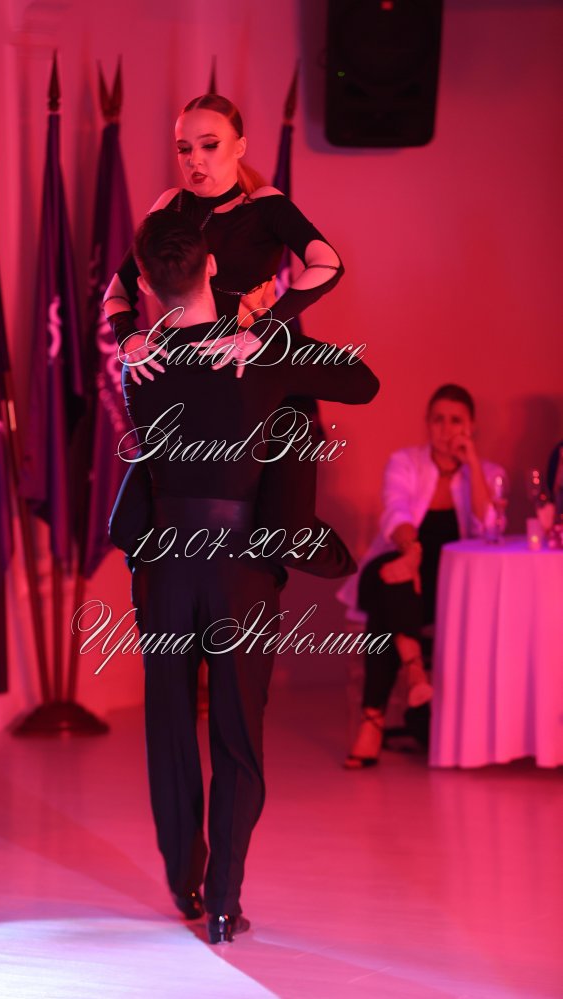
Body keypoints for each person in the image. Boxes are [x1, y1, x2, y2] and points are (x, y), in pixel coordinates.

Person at [122, 210, 379, 943]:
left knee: (170, 725)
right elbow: (363, 381)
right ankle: (223, 901)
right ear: (212, 267)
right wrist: (272, 334)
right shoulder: (258, 353)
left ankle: (185, 881)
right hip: (238, 567)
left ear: (146, 285)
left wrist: (132, 336)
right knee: (238, 732)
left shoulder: (138, 361)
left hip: (166, 563)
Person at [104, 93, 346, 559]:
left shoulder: (265, 205)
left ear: (240, 146)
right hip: (187, 367)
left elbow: (328, 263)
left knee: (281, 513)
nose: (194, 159)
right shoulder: (171, 205)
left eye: (209, 145)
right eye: (184, 148)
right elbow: (116, 291)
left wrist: (263, 330)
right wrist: (128, 336)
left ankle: (301, 550)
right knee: (145, 511)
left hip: (249, 363)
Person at [337, 385, 504, 768]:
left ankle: (373, 720)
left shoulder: (489, 473)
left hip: (448, 590)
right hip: (398, 563)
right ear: (427, 423)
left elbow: (490, 527)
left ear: (471, 427)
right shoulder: (405, 462)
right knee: (389, 577)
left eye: (456, 421)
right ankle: (415, 670)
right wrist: (411, 553)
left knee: (387, 603)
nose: (446, 429)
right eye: (438, 419)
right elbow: (395, 511)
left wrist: (471, 462)